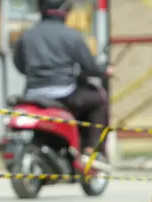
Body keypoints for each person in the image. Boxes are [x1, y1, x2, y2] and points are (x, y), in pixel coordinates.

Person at [12, 0, 112, 161]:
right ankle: (91, 150)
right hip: (64, 93)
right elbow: (89, 67)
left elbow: (19, 65)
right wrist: (105, 70)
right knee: (98, 99)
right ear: (65, 11)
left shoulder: (27, 35)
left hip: (33, 94)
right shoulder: (71, 35)